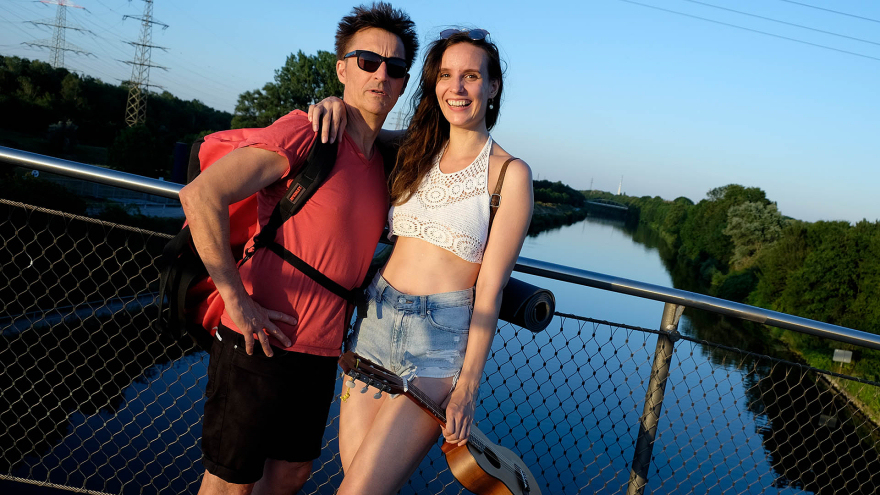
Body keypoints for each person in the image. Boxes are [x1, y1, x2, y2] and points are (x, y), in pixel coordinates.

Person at [178, 4, 418, 494]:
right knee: (229, 484)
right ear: (342, 69)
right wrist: (236, 300)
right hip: (256, 338)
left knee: (290, 475)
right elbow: (201, 195)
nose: (381, 75)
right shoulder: (308, 132)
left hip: (321, 352)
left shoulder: (383, 160)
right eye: (368, 61)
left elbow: (437, 141)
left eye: (395, 68)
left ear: (404, 83)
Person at [309, 28, 533, 495]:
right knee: (357, 481)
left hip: (436, 344)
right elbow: (361, 132)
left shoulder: (509, 175)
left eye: (471, 76)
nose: (457, 87)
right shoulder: (415, 148)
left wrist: (467, 388)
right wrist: (334, 105)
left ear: (493, 87)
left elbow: (489, 292)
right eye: (446, 75)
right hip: (374, 322)